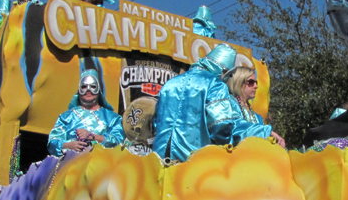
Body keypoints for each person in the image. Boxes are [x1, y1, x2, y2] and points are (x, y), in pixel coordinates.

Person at [152, 44, 285, 164]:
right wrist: (265, 132)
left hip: (159, 160)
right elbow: (222, 125)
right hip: (192, 164)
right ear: (223, 71)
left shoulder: (169, 84)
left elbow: (156, 122)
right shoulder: (215, 84)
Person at [48, 69, 125, 156]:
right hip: (72, 166)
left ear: (98, 89)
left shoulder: (113, 118)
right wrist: (69, 145)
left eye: (93, 86)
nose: (88, 90)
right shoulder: (66, 117)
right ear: (79, 90)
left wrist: (92, 136)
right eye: (84, 87)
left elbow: (119, 141)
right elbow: (52, 143)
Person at [223, 66, 285, 147]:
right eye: (251, 82)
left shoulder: (257, 117)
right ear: (239, 82)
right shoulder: (228, 104)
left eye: (256, 82)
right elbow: (236, 127)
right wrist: (268, 132)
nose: (256, 86)